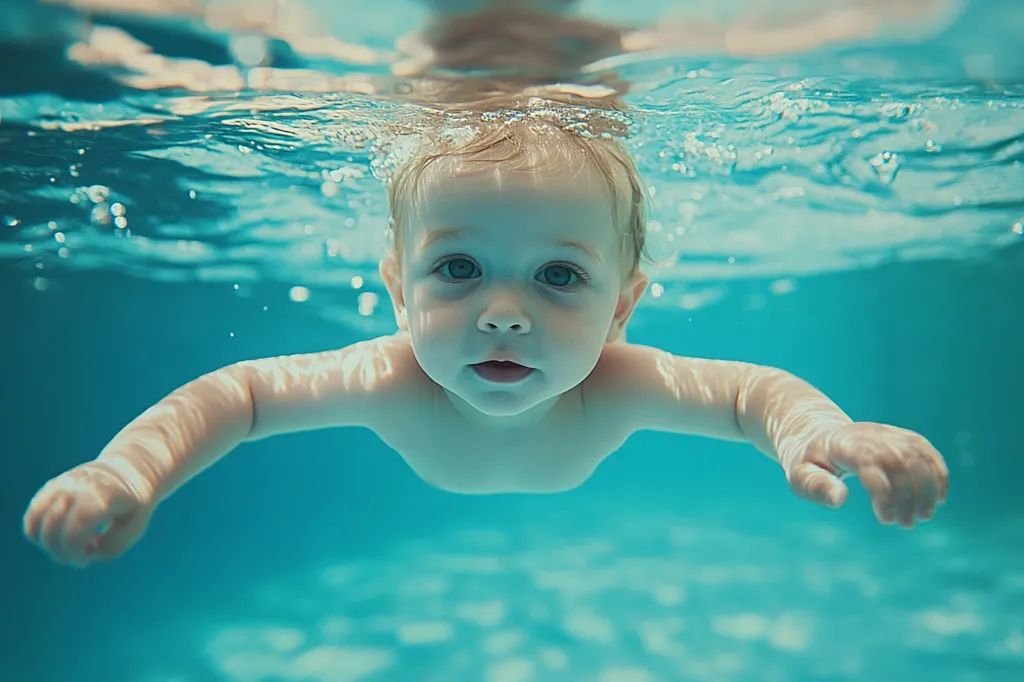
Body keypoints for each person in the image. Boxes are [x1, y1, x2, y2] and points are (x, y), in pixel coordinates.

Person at [23, 0, 950, 569]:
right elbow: (242, 395)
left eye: (559, 276)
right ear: (397, 287)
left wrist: (818, 431)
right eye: (458, 268)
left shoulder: (615, 382)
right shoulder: (388, 376)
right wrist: (132, 468)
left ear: (621, 308)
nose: (504, 313)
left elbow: (752, 396)